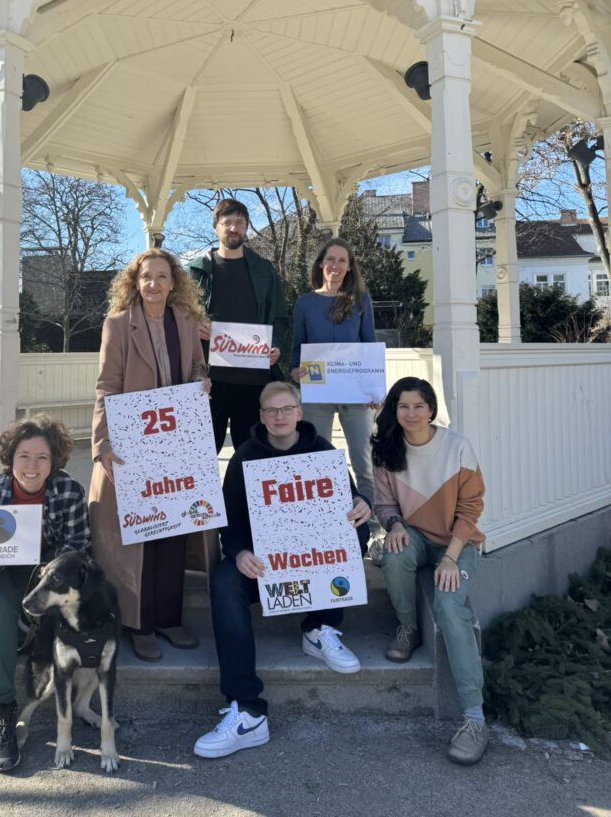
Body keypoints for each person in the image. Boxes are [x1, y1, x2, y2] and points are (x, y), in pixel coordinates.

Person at [194, 381, 371, 759]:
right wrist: (239, 551)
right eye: (271, 411)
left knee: (357, 531)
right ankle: (247, 710)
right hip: (265, 568)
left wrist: (361, 504)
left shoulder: (323, 450)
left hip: (310, 567)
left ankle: (320, 627)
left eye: (286, 409)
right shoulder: (243, 457)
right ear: (261, 416)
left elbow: (349, 500)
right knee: (225, 581)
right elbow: (232, 520)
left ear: (299, 413)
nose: (279, 417)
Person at [90, 248, 213, 663]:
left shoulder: (187, 321)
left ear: (174, 281)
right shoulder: (119, 325)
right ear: (135, 282)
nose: (154, 284)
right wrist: (101, 443)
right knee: (140, 536)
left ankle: (169, 620)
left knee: (174, 533)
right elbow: (106, 386)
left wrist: (201, 381)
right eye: (147, 277)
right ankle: (139, 625)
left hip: (177, 442)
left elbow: (198, 367)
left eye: (162, 276)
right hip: (132, 443)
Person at [0, 414, 90, 773]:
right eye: (24, 456)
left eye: (42, 457)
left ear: (54, 460)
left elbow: (78, 546)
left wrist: (52, 568)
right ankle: (1, 711)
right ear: (10, 459)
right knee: (1, 603)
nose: (32, 466)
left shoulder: (69, 491)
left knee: (56, 598)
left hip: (37, 571)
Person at [371, 376, 488, 765]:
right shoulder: (387, 448)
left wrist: (452, 558)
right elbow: (385, 505)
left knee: (451, 607)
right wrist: (395, 525)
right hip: (417, 534)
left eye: (419, 406)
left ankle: (474, 719)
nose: (411, 413)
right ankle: (408, 627)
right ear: (394, 409)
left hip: (458, 542)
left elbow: (471, 510)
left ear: (431, 409)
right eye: (403, 406)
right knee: (395, 555)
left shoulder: (456, 446)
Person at [187, 198, 289, 454]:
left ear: (246, 228)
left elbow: (280, 317)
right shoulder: (195, 272)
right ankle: (206, 498)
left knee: (253, 456)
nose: (233, 228)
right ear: (216, 227)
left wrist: (276, 346)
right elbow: (177, 317)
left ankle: (243, 497)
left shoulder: (264, 270)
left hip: (253, 381)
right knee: (202, 456)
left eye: (240, 223)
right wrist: (192, 326)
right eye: (227, 222)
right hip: (208, 382)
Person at [290, 237, 378, 531]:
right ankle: (320, 521)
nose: (336, 266)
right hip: (317, 392)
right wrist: (293, 371)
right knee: (316, 458)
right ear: (320, 264)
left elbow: (369, 346)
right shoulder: (304, 303)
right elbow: (296, 349)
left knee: (363, 460)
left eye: (342, 261)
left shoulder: (361, 299)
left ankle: (370, 521)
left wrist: (374, 390)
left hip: (355, 393)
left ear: (350, 267)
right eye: (331, 260)